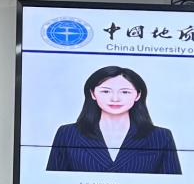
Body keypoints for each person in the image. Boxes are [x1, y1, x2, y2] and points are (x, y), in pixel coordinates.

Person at [47, 65, 182, 174]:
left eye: (125, 92)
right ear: (93, 93)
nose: (115, 98)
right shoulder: (68, 133)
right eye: (106, 91)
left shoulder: (161, 137)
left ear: (138, 95)